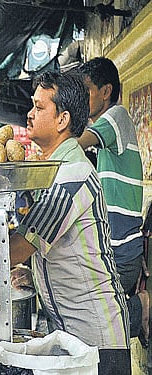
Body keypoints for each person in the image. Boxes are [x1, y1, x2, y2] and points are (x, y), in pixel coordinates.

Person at [9, 71, 130, 375]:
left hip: (99, 345)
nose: (30, 113)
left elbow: (20, 246)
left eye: (39, 107)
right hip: (74, 339)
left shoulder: (72, 175)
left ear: (62, 120)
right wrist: (33, 273)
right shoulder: (57, 171)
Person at [77, 57, 147, 344]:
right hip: (113, 247)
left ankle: (142, 306)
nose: (83, 99)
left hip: (122, 251)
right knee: (100, 326)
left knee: (99, 325)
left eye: (87, 91)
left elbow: (75, 143)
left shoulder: (116, 117)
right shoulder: (107, 132)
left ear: (106, 92)